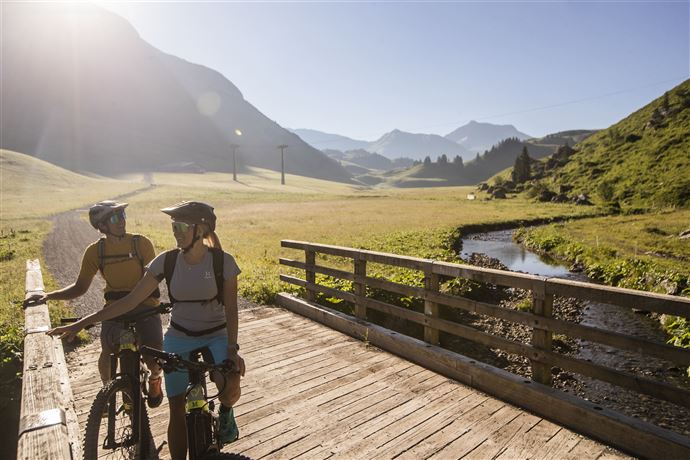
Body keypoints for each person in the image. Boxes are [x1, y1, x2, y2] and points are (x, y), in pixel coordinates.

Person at [48, 201, 245, 459]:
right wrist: (82, 322)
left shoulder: (223, 262)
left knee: (229, 387)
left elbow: (231, 309)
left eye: (181, 226)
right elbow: (129, 301)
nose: (175, 231)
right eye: (174, 226)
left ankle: (226, 412)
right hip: (179, 336)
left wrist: (232, 349)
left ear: (201, 229)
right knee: (176, 408)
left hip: (216, 335)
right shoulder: (167, 261)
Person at [26, 200, 164, 407]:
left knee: (154, 357)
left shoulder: (141, 244)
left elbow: (149, 282)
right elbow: (80, 287)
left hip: (145, 306)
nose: (122, 221)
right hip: (114, 309)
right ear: (102, 226)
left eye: (123, 216)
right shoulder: (95, 252)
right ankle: (107, 393)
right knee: (107, 352)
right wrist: (49, 296)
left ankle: (155, 378)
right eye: (116, 218)